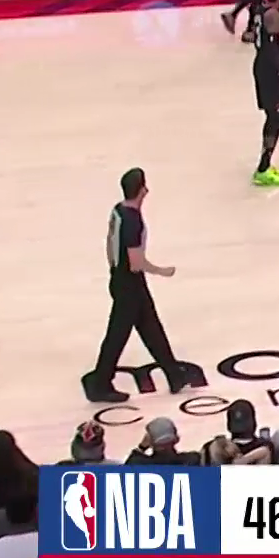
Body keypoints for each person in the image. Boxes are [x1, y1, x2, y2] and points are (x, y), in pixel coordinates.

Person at [82, 168, 196, 404]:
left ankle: (174, 375)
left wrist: (114, 270)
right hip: (130, 284)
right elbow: (135, 262)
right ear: (142, 190)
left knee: (151, 327)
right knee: (117, 335)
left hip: (120, 278)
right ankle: (101, 383)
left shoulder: (118, 211)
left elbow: (110, 244)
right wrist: (161, 270)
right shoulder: (133, 221)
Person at [250, 0, 279, 187]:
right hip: (270, 71)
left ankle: (265, 164)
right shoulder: (273, 16)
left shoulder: (263, 11)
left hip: (264, 67)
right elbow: (273, 53)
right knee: (276, 118)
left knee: (274, 117)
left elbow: (254, 38)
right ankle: (263, 168)